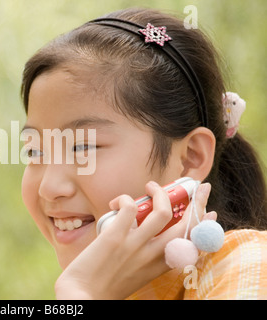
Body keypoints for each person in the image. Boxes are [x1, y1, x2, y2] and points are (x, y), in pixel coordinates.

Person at [19, 7, 267, 299]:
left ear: (190, 158)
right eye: (35, 151)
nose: (49, 188)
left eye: (83, 147)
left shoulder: (249, 265)